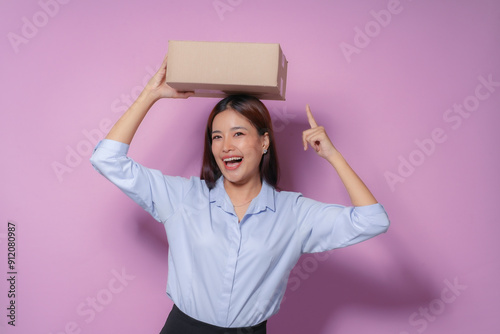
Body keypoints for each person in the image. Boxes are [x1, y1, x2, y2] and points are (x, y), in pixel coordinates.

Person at [90, 54, 390, 334]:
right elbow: (107, 160)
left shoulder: (294, 213)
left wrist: (333, 156)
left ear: (264, 142)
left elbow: (372, 220)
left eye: (239, 134)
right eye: (217, 137)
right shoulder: (182, 197)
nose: (226, 146)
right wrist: (151, 95)